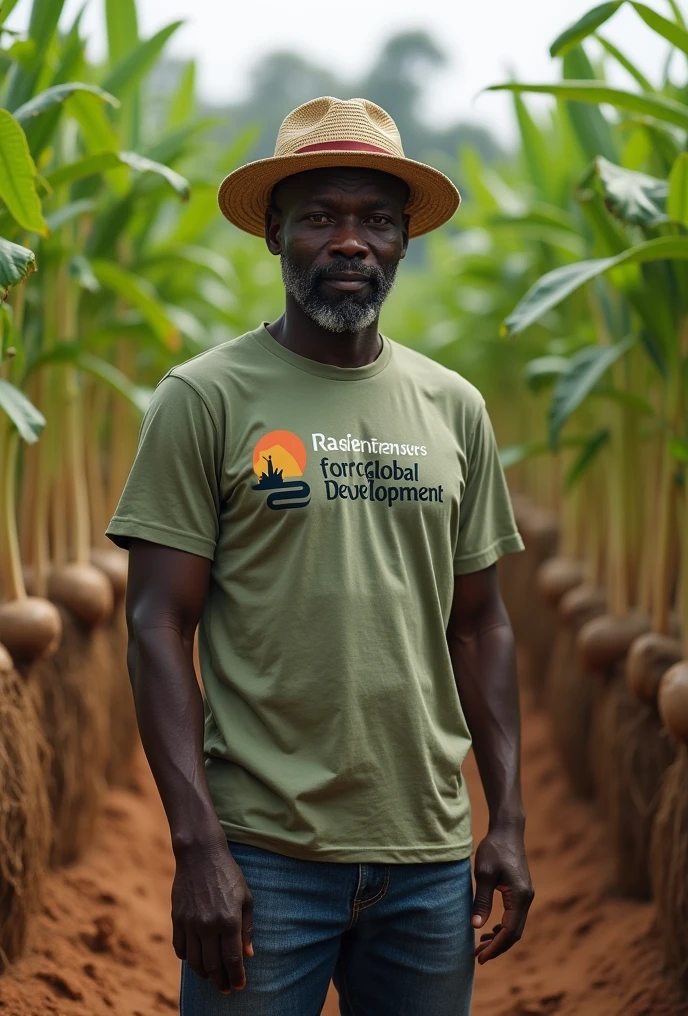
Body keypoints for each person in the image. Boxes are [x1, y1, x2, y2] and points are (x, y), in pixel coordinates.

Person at [107, 96, 533, 1016]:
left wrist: (509, 820)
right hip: (264, 857)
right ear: (274, 234)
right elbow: (155, 621)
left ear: (404, 241)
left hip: (427, 859)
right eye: (320, 217)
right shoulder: (204, 399)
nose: (352, 242)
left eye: (377, 220)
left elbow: (482, 623)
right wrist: (198, 849)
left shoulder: (453, 406)